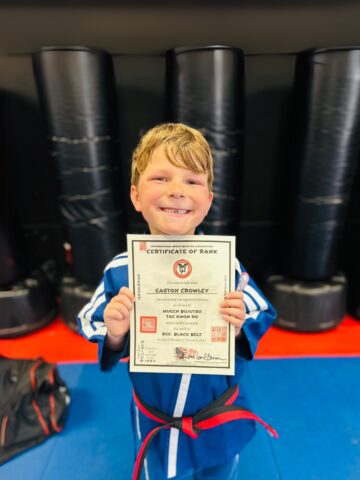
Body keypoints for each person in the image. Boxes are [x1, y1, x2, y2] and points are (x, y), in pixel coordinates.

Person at [78, 123, 277, 480]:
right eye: (160, 178)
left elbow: (260, 309)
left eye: (192, 181)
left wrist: (238, 325)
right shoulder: (121, 270)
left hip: (217, 415)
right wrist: (116, 330)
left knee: (220, 471)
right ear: (136, 196)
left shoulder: (225, 265)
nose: (176, 192)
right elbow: (90, 320)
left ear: (208, 202)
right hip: (158, 421)